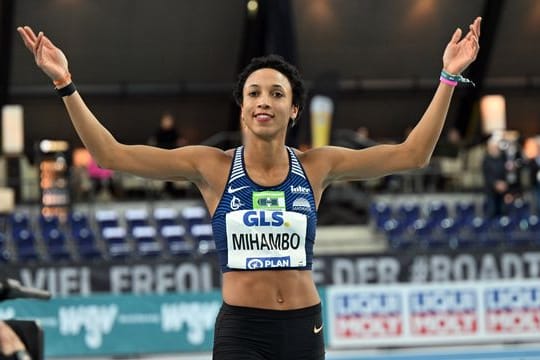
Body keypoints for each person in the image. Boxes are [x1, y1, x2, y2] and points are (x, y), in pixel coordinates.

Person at [17, 17, 481, 359]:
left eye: (277, 94)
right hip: (242, 331)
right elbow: (112, 155)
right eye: (255, 93)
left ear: (293, 110)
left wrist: (448, 77)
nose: (265, 101)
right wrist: (65, 83)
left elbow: (412, 154)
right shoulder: (213, 167)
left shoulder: (318, 166)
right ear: (242, 108)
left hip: (305, 327)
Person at [482, 137, 508, 218]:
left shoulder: (503, 158)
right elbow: (487, 175)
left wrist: (504, 183)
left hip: (503, 191)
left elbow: (505, 173)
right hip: (491, 190)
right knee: (492, 211)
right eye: (492, 147)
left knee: (503, 211)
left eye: (496, 147)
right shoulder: (486, 160)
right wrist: (496, 184)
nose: (495, 149)